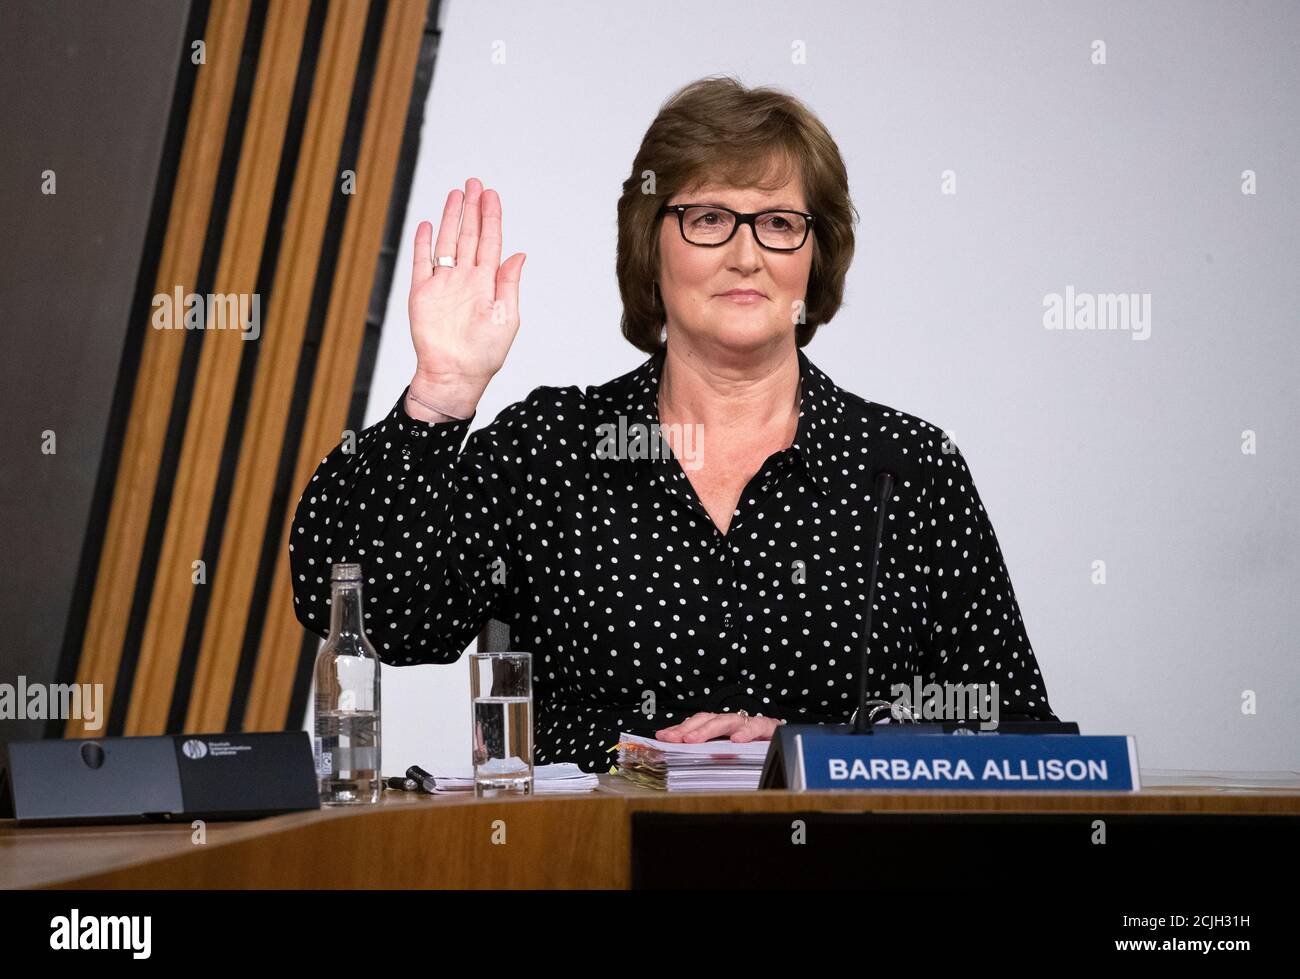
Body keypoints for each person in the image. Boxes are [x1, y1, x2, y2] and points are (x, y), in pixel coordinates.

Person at [289, 76, 1056, 774]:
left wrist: (813, 747)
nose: (747, 254)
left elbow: (1015, 731)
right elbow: (375, 613)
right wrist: (439, 395)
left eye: (780, 222)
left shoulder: (907, 465)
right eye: (710, 218)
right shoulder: (550, 446)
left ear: (814, 258)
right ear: (649, 245)